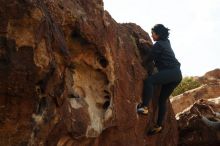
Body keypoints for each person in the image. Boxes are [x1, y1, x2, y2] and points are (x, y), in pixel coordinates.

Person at [137, 24, 182, 135]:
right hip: (177, 75)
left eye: (153, 33)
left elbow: (150, 57)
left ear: (158, 34)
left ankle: (145, 107)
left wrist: (140, 65)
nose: (151, 35)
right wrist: (147, 43)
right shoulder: (166, 42)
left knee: (149, 81)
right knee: (162, 100)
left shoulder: (159, 45)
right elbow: (156, 49)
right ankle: (159, 126)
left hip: (171, 72)